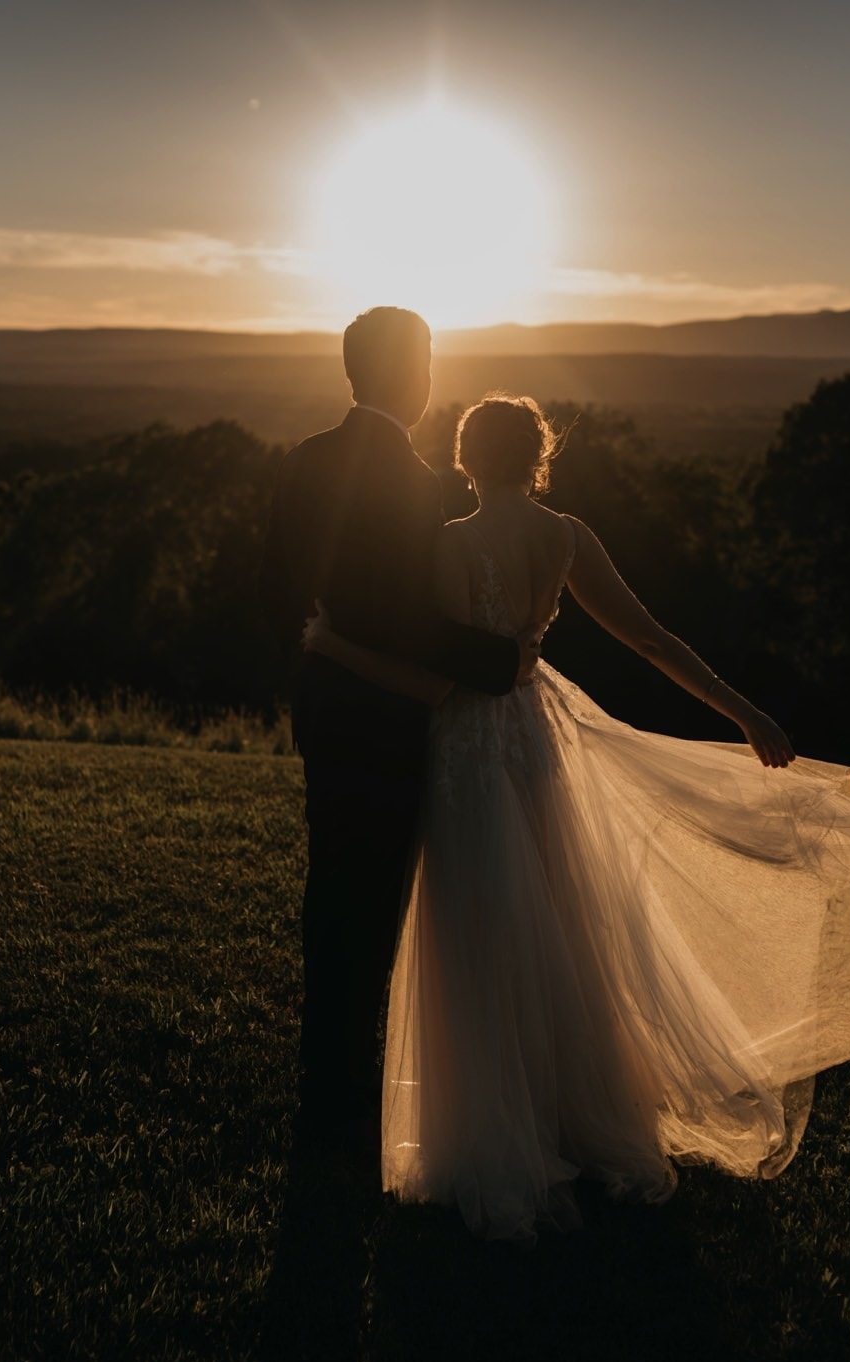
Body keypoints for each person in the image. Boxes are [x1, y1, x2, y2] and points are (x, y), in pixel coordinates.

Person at [301, 393, 850, 1241]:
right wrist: (746, 713)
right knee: (558, 927)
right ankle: (568, 1121)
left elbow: (450, 680)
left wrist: (335, 648)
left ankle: (494, 1142)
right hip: (539, 739)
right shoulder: (567, 535)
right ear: (538, 457)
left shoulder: (451, 543)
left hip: (469, 756)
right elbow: (651, 638)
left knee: (481, 935)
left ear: (463, 459)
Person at [261, 307, 535, 1176]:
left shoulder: (305, 458)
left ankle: (327, 1091)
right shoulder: (417, 482)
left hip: (329, 709)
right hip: (385, 718)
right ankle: (350, 1102)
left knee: (331, 895)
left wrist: (307, 663)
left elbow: (274, 586)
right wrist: (502, 658)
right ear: (410, 374)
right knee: (371, 906)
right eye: (426, 360)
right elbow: (402, 617)